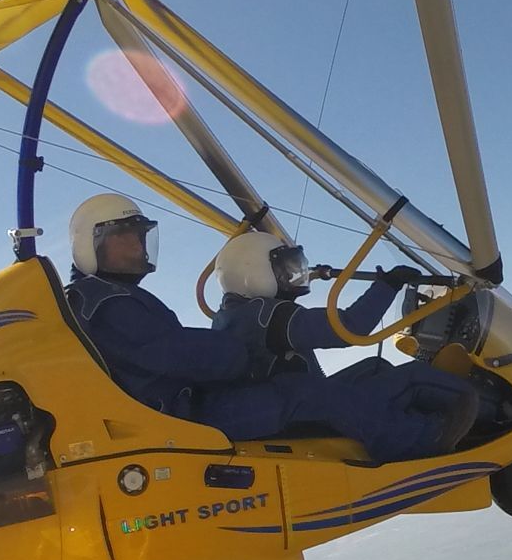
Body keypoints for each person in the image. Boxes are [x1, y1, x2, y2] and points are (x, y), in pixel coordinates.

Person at [59, 195, 477, 460]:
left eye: (140, 235)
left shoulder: (110, 298)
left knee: (363, 376)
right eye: (124, 236)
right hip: (189, 417)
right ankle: (415, 439)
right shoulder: (109, 303)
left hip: (189, 408)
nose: (138, 244)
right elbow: (176, 352)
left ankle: (424, 416)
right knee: (305, 391)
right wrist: (387, 286)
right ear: (90, 244)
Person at [208, 227, 484, 462]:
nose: (293, 275)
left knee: (373, 367)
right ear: (254, 272)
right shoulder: (268, 317)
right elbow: (350, 327)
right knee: (420, 382)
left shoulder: (235, 315)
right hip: (294, 415)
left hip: (281, 407)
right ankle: (419, 438)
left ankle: (407, 420)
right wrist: (388, 285)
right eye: (283, 269)